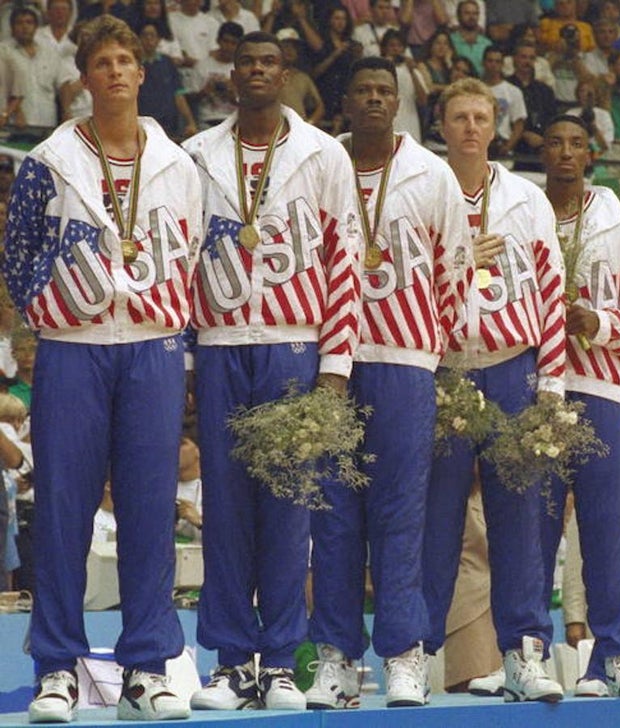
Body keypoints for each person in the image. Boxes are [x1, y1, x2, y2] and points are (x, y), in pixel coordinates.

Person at [3, 15, 201, 723]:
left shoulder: (180, 166)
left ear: (142, 73)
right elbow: (17, 253)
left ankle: (147, 668)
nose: (116, 71)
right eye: (103, 63)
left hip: (151, 349)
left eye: (126, 60)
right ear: (83, 79)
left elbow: (195, 253)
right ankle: (56, 667)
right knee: (63, 510)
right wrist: (54, 313)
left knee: (150, 512)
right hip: (74, 353)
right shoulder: (49, 162)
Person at [182, 30, 360, 712]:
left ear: (286, 74)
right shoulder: (195, 154)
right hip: (224, 343)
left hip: (293, 343)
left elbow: (345, 260)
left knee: (289, 508)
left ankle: (281, 661)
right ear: (232, 74)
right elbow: (184, 261)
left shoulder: (322, 153)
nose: (256, 71)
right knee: (226, 509)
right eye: (246, 62)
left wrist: (336, 363)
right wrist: (192, 358)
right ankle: (231, 663)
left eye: (269, 63)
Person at [304, 56, 472, 711]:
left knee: (402, 516)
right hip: (331, 365)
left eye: (386, 92)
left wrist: (431, 347)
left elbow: (457, 270)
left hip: (405, 363)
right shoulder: (321, 167)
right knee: (335, 517)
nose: (376, 100)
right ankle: (336, 661)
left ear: (399, 102)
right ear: (343, 101)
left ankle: (405, 658)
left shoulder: (431, 173)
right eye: (364, 91)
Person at [421, 77, 567, 704]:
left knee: (519, 520)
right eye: (460, 117)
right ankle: (417, 656)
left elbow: (553, 291)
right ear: (443, 126)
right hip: (446, 369)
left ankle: (524, 653)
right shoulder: (421, 190)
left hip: (512, 365)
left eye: (482, 117)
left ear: (497, 126)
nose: (472, 128)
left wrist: (553, 383)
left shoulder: (526, 198)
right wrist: (456, 260)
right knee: (436, 522)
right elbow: (401, 286)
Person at [538, 114, 620, 699]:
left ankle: (619, 654)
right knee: (529, 524)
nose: (565, 152)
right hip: (531, 388)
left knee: (605, 525)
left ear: (592, 154)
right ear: (541, 150)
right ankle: (526, 652)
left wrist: (600, 322)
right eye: (555, 142)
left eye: (576, 144)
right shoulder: (520, 213)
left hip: (602, 388)